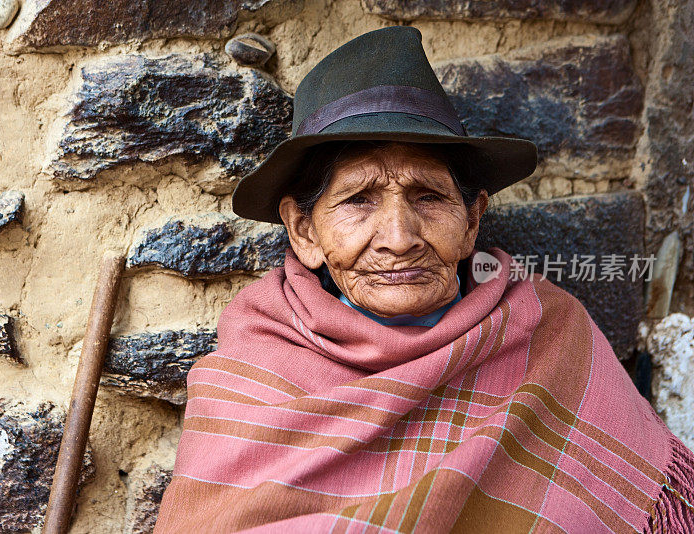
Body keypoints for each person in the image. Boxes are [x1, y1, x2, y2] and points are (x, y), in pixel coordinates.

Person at [154, 26, 694, 532]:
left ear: (472, 222)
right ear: (304, 231)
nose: (399, 236)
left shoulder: (549, 332)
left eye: (429, 197)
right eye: (358, 200)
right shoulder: (256, 365)